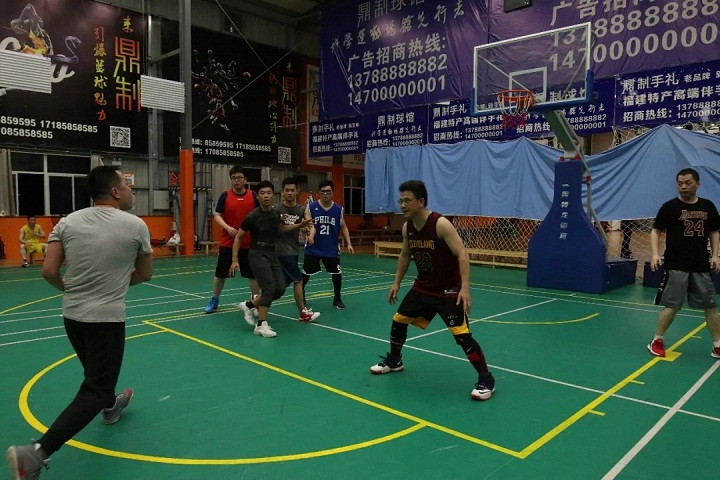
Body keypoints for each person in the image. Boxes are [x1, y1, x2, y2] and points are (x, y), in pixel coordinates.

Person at [6, 165, 153, 479]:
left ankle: (111, 406)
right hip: (106, 319)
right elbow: (145, 274)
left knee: (96, 375)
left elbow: (49, 271)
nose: (130, 190)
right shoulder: (136, 225)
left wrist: (71, 289)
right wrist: (114, 283)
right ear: (114, 191)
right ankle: (36, 453)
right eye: (126, 186)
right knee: (96, 388)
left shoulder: (67, 222)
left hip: (72, 316)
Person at [369, 180, 495, 401]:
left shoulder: (440, 224)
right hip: (424, 287)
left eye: (407, 200)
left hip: (449, 290)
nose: (402, 205)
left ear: (421, 202)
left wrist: (465, 288)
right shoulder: (408, 227)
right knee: (398, 320)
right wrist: (396, 282)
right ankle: (395, 360)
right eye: (400, 200)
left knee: (462, 337)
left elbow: (462, 254)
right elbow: (405, 256)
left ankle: (486, 379)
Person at [648, 168, 720, 358]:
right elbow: (655, 230)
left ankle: (717, 345)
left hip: (701, 265)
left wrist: (715, 255)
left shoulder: (708, 206)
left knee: (711, 306)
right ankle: (657, 340)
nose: (683, 186)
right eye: (680, 183)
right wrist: (655, 254)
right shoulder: (669, 207)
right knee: (672, 305)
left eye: (688, 183)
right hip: (676, 265)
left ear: (698, 183)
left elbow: (714, 231)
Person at [231, 181, 312, 337]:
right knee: (269, 287)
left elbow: (281, 228)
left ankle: (249, 305)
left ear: (273, 195)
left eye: (268, 193)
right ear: (258, 196)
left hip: (272, 253)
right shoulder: (252, 216)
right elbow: (239, 237)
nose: (266, 196)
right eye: (262, 193)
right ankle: (261, 325)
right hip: (257, 254)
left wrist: (299, 225)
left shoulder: (276, 214)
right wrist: (235, 260)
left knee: (280, 288)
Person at [204, 166, 259, 314]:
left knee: (253, 275)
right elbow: (217, 215)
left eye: (239, 178)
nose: (237, 181)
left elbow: (261, 214)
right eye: (234, 178)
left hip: (249, 243)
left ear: (245, 179)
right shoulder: (225, 196)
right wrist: (228, 228)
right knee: (220, 274)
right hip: (228, 242)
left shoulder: (253, 196)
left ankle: (256, 302)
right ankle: (214, 300)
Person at [302, 180, 354, 310]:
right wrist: (309, 235)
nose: (325, 194)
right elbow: (308, 225)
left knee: (337, 274)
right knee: (306, 273)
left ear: (333, 193)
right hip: (313, 247)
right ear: (318, 193)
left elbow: (343, 227)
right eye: (323, 191)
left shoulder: (338, 209)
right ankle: (300, 294)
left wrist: (349, 243)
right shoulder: (311, 207)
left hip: (331, 248)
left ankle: (337, 299)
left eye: (328, 192)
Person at [276, 177, 321, 322]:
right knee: (298, 280)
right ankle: (303, 313)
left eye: (292, 190)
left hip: (294, 250)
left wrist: (311, 235)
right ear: (282, 192)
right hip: (281, 251)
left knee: (281, 286)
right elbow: (280, 229)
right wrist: (299, 225)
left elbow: (311, 225)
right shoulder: (277, 209)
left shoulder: (302, 209)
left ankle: (254, 304)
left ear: (297, 191)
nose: (290, 193)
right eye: (287, 190)